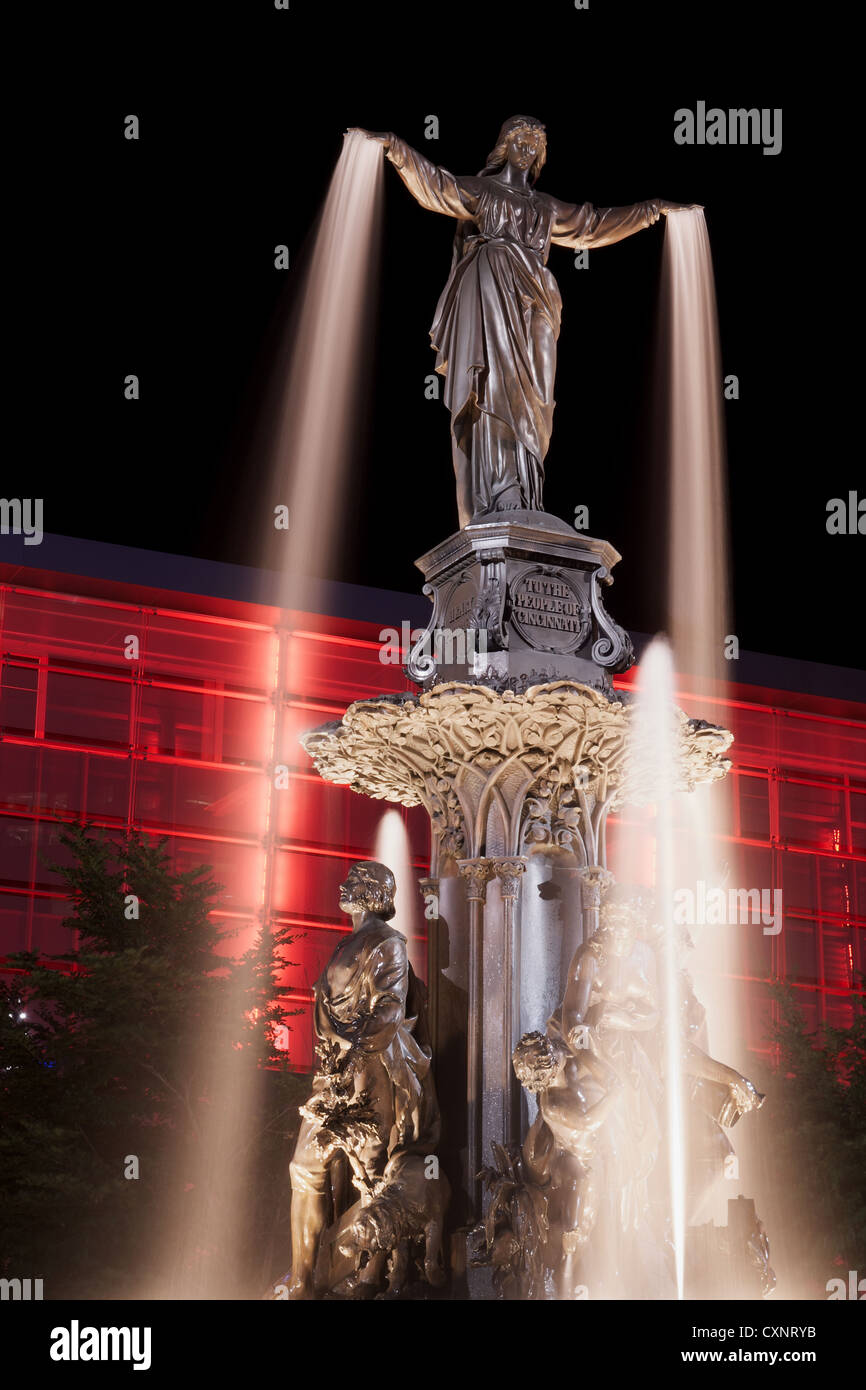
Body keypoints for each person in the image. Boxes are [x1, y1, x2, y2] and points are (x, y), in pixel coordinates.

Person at [351, 117, 694, 527]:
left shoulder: (544, 207)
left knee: (539, 397)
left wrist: (651, 210)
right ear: (505, 145)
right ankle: (501, 489)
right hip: (492, 284)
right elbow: (438, 186)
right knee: (496, 383)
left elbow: (593, 224)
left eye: (536, 143)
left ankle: (528, 489)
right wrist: (395, 147)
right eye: (522, 140)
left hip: (539, 298)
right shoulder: (485, 191)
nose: (529, 148)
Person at [287, 860, 439, 1298]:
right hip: (331, 1073)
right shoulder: (346, 944)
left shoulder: (388, 943)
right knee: (304, 1167)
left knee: (371, 1175)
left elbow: (389, 1009)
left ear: (374, 894)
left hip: (369, 1074)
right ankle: (302, 1279)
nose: (344, 885)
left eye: (355, 881)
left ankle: (374, 1275)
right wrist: (334, 1061)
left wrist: (353, 1056)